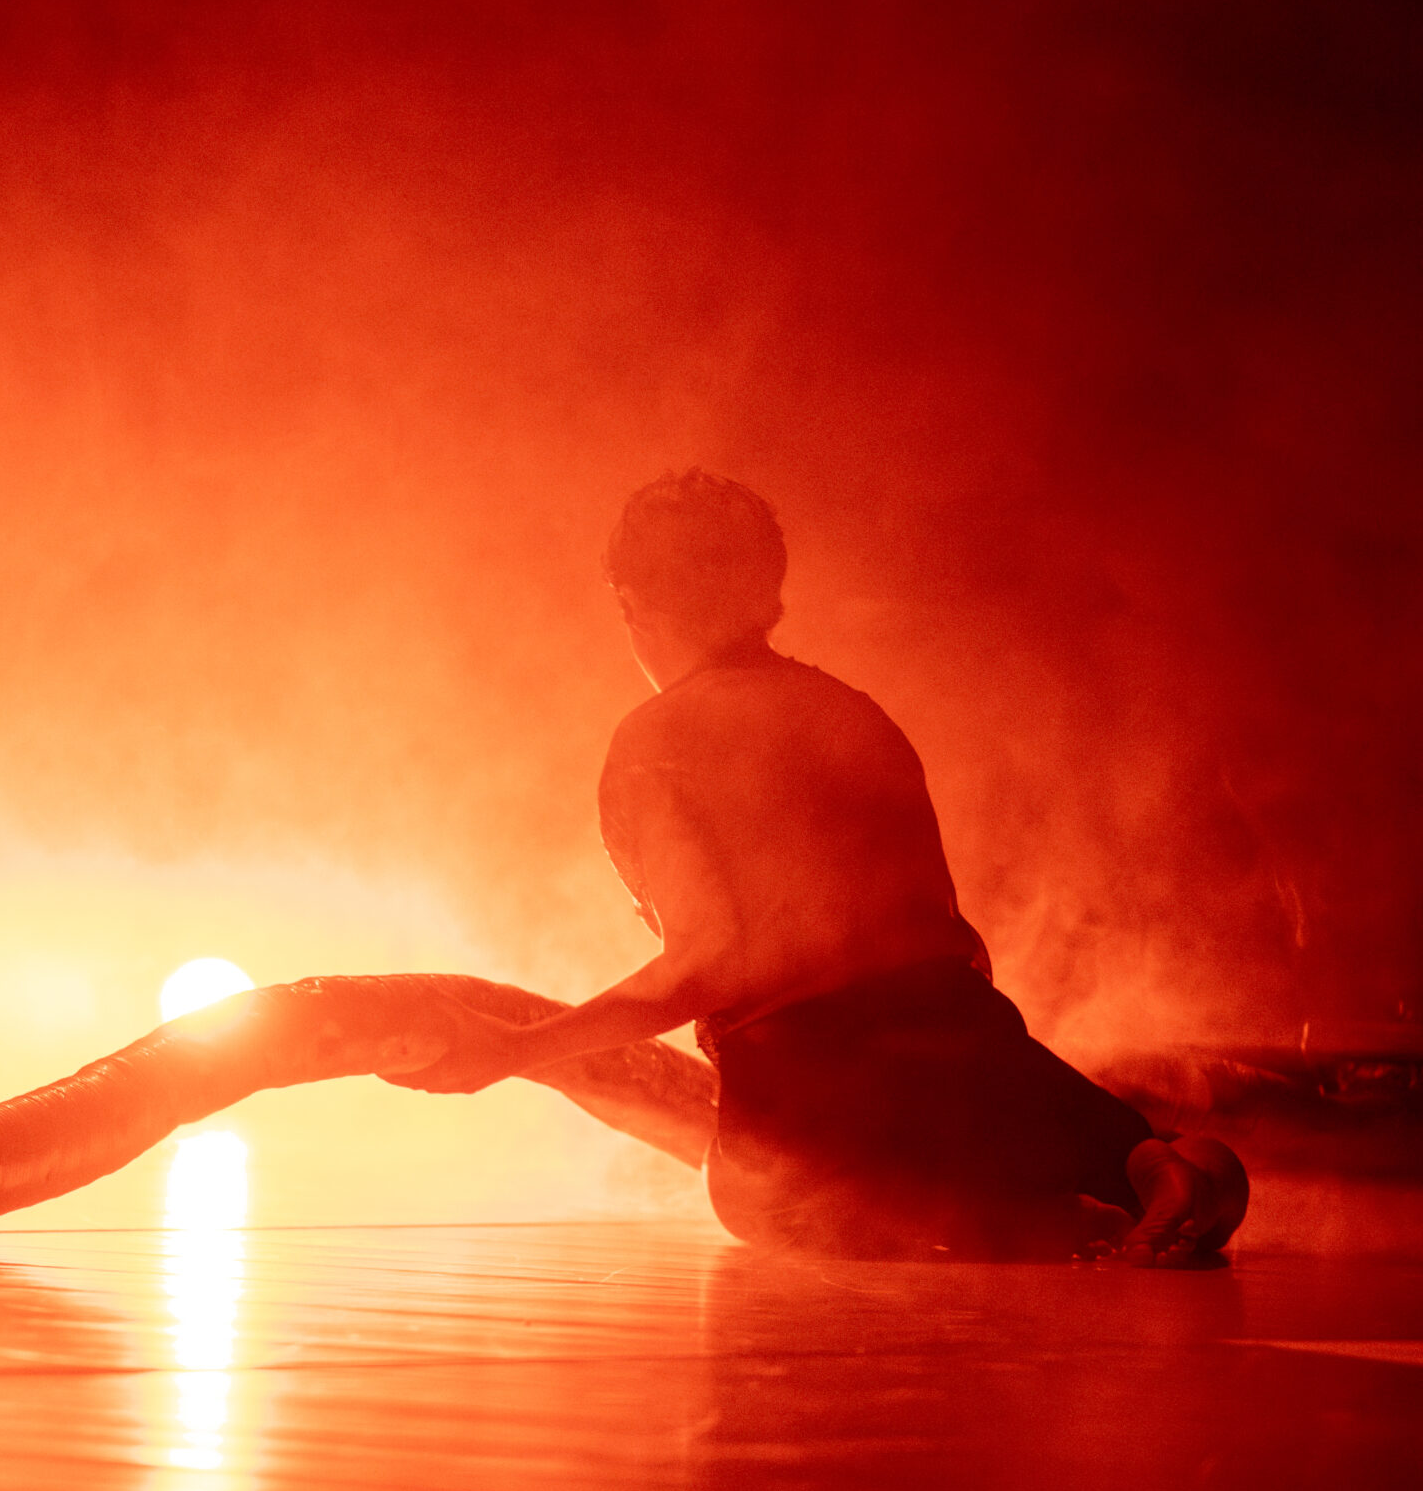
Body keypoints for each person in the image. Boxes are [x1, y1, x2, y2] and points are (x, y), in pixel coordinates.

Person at [389, 470, 1248, 1264]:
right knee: (1105, 1137)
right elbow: (960, 943)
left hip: (821, 1112)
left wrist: (517, 1047)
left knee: (757, 1193)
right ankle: (1145, 1167)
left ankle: (1018, 1214)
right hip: (979, 1063)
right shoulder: (858, 717)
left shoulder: (655, 742)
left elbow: (708, 961)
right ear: (769, 595)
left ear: (633, 605)